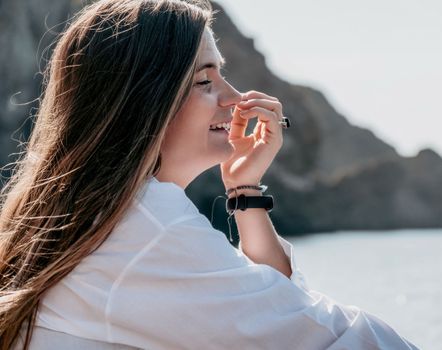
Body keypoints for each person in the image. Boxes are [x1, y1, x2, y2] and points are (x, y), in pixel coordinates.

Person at [0, 0, 420, 349]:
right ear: (146, 98)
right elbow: (321, 336)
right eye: (205, 80)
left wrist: (244, 188)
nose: (235, 97)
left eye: (222, 72)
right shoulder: (146, 230)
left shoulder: (85, 217)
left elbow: (272, 312)